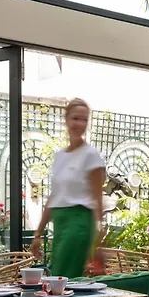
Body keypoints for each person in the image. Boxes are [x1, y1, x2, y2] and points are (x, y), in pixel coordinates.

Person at [31, 98, 105, 278]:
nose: (80, 124)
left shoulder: (91, 156)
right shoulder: (60, 156)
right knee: (59, 274)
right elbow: (54, 197)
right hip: (60, 222)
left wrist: (99, 238)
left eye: (84, 120)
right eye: (76, 118)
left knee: (64, 277)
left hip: (79, 221)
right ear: (66, 120)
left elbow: (98, 198)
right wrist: (38, 234)